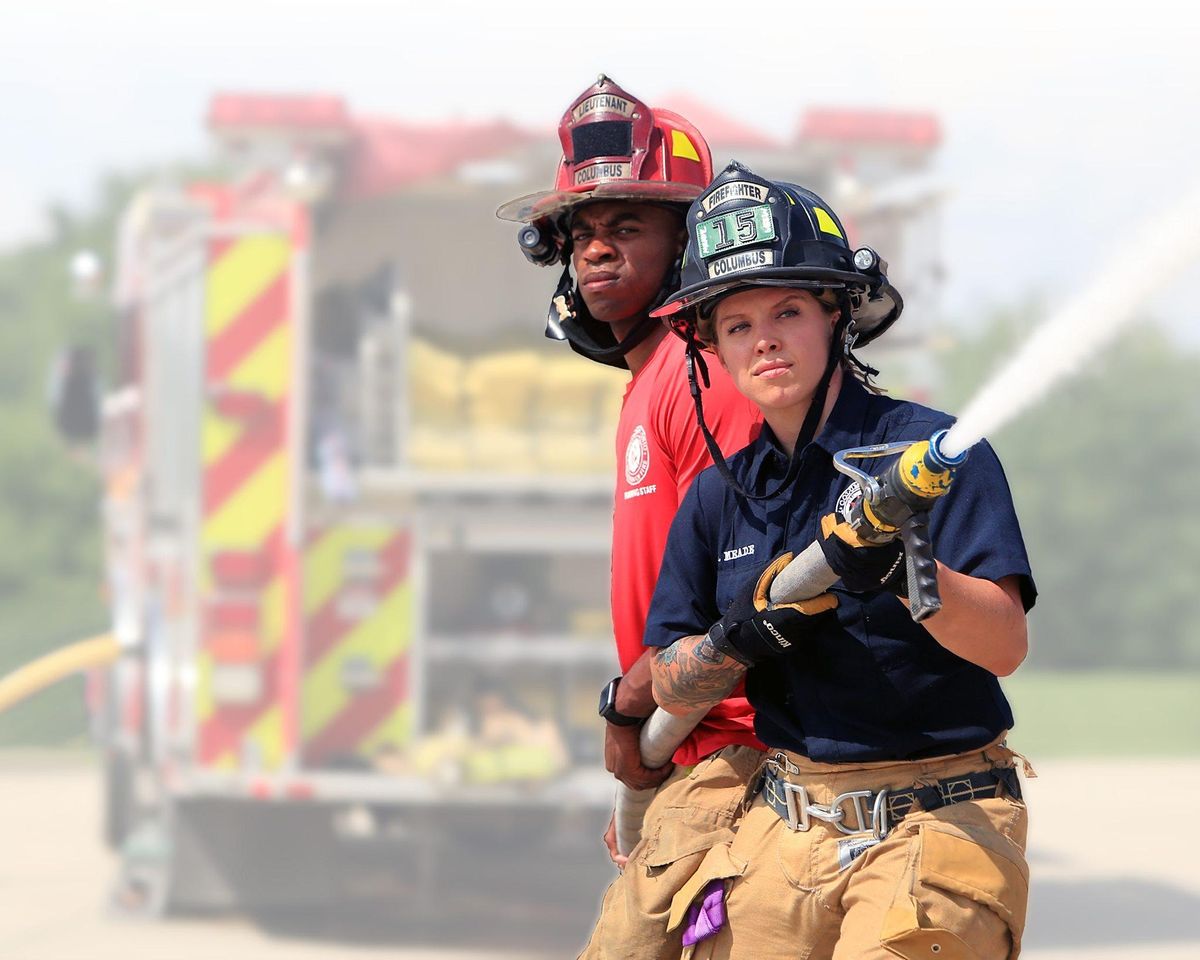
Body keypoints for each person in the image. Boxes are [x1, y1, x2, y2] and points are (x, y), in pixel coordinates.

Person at [644, 161, 1035, 958]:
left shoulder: (933, 457)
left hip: (940, 819)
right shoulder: (717, 500)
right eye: (739, 324)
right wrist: (738, 638)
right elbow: (665, 672)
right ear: (712, 348)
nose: (766, 339)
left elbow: (1005, 646)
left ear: (835, 319)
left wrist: (907, 573)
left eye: (788, 310)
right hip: (784, 826)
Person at [497, 79, 764, 959]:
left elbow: (753, 582)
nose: (595, 254)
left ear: (688, 244)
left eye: (628, 229)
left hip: (738, 758)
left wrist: (629, 709)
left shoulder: (708, 374)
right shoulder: (654, 376)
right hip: (685, 754)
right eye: (582, 236)